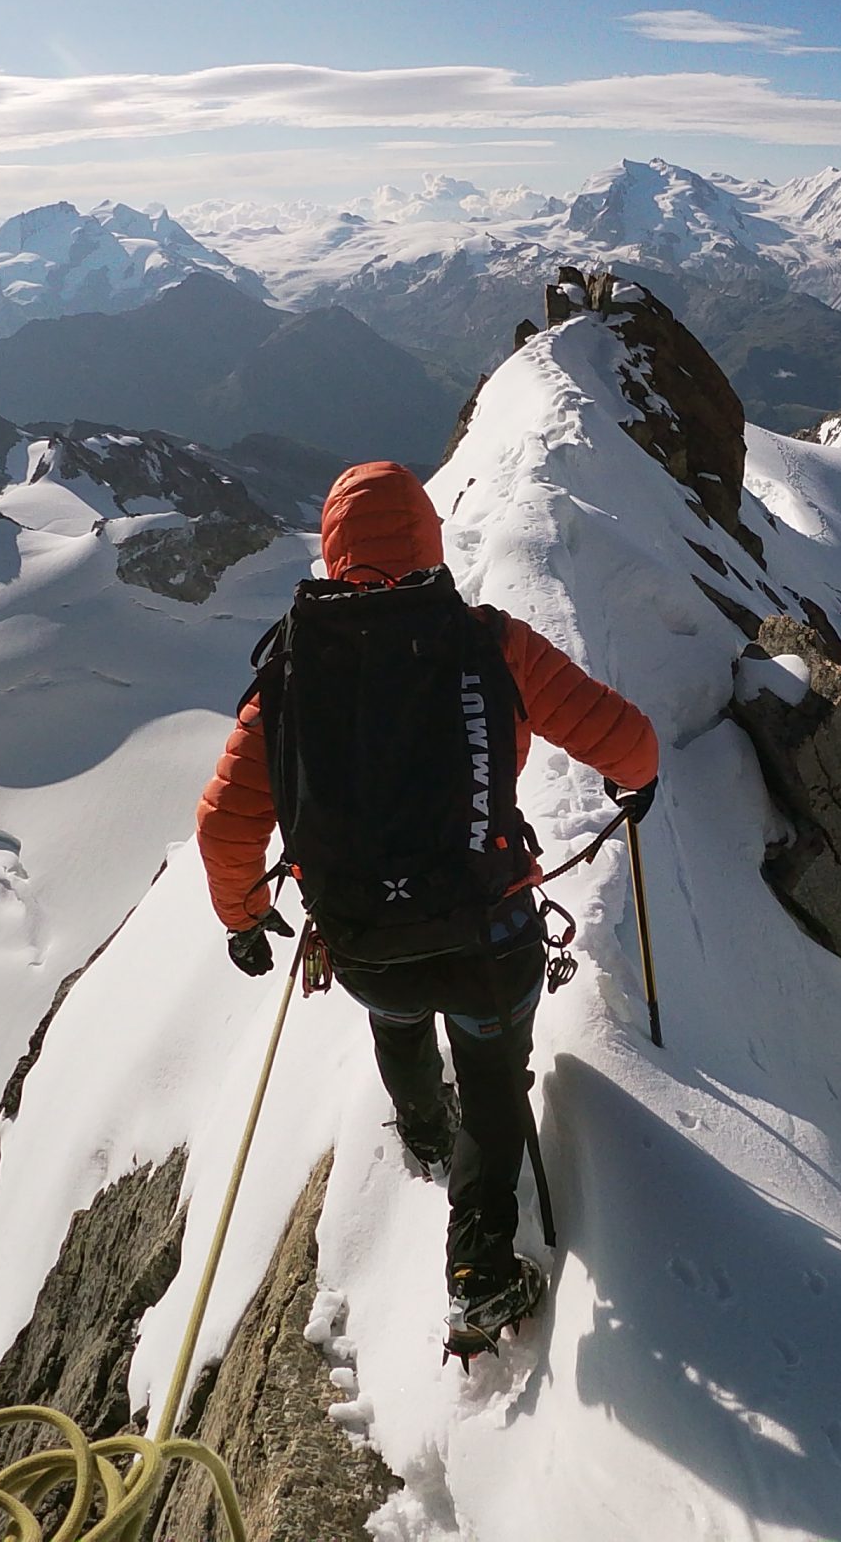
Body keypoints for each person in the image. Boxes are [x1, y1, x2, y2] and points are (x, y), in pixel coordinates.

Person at [195, 461, 658, 1350]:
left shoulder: (291, 674)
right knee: (494, 1084)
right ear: (429, 540)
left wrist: (245, 922)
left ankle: (421, 1129)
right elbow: (628, 739)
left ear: (332, 555)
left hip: (367, 948)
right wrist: (633, 786)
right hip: (490, 940)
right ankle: (478, 1264)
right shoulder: (490, 644)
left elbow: (224, 828)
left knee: (399, 1023)